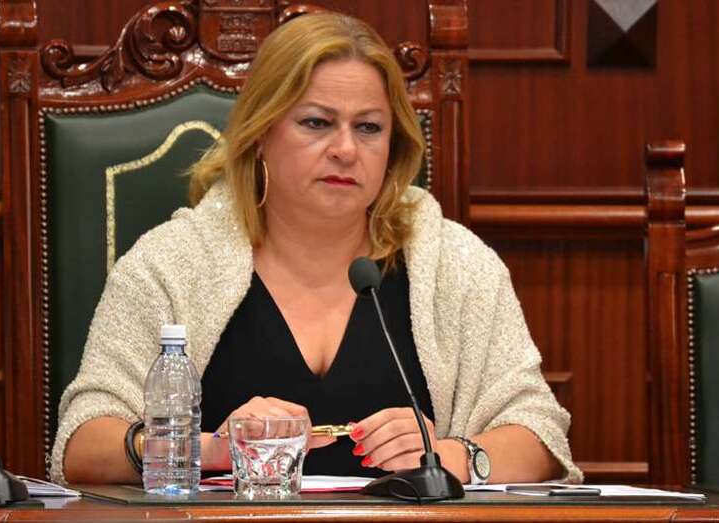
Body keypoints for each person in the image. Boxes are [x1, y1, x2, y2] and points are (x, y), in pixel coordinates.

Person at [51, 12, 582, 486]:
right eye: (316, 122)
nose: (346, 149)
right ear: (261, 132)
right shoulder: (172, 263)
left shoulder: (454, 263)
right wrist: (209, 450)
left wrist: (453, 456)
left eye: (368, 128)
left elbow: (539, 434)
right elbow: (82, 445)